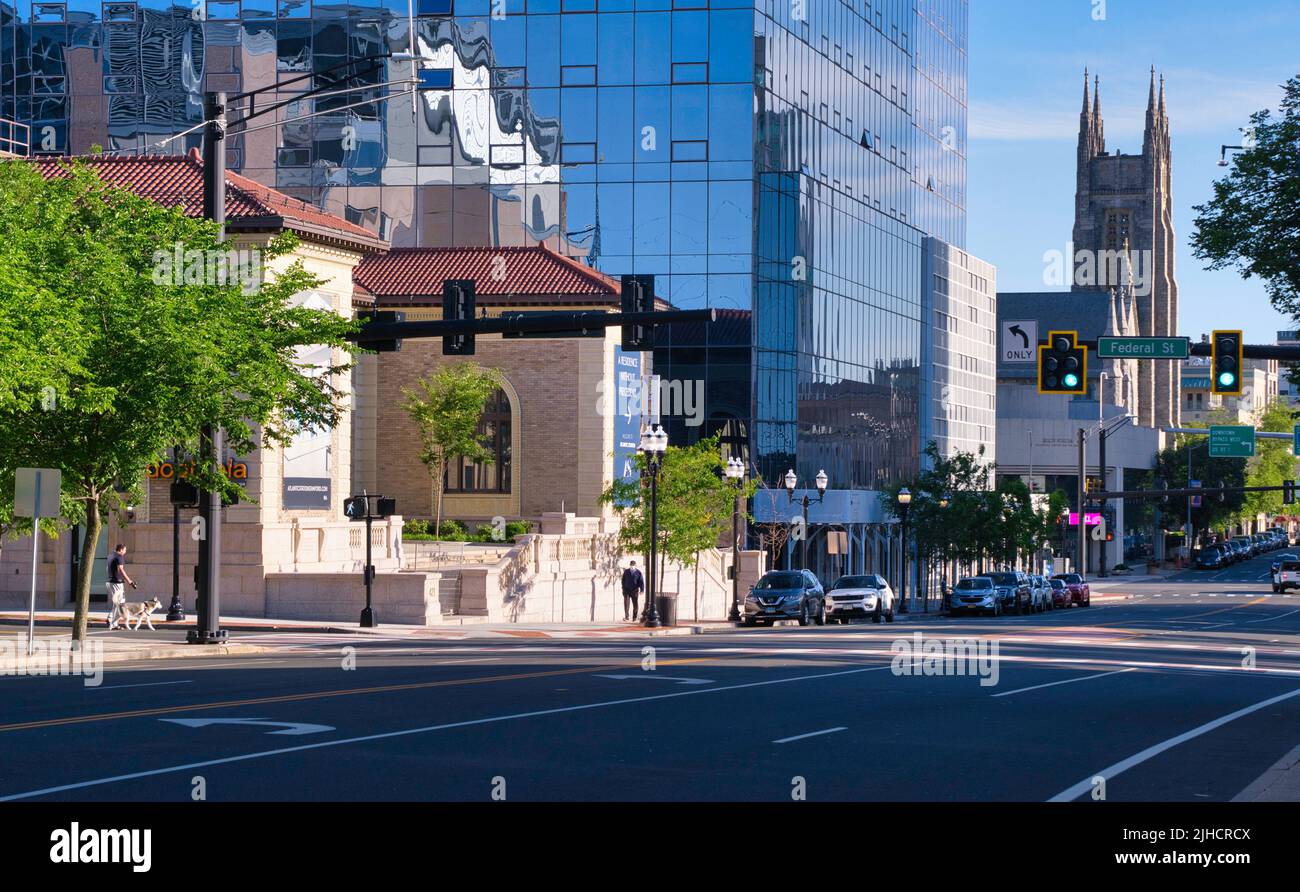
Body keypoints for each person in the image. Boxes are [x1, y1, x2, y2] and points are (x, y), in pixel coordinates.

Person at [106, 544, 137, 630]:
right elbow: (121, 570)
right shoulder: (119, 557)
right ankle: (112, 619)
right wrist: (130, 581)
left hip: (110, 581)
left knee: (118, 603)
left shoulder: (110, 555)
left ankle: (113, 621)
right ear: (121, 549)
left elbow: (107, 568)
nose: (125, 552)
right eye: (125, 550)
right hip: (117, 582)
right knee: (120, 603)